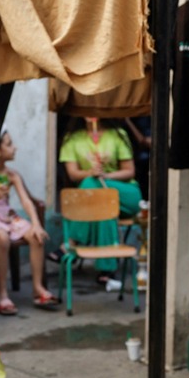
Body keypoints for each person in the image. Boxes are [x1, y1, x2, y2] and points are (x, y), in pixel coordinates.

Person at [0, 130, 58, 313]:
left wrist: (36, 223)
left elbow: (26, 201)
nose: (15, 148)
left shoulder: (11, 175)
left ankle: (38, 289)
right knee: (2, 238)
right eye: (9, 144)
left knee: (36, 236)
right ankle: (2, 296)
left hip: (7, 217)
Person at [57, 116, 142, 283]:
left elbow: (129, 171)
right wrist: (91, 173)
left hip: (125, 192)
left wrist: (105, 176)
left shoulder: (117, 134)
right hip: (98, 199)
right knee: (102, 204)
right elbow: (73, 175)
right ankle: (107, 269)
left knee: (93, 186)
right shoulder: (72, 139)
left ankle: (72, 240)